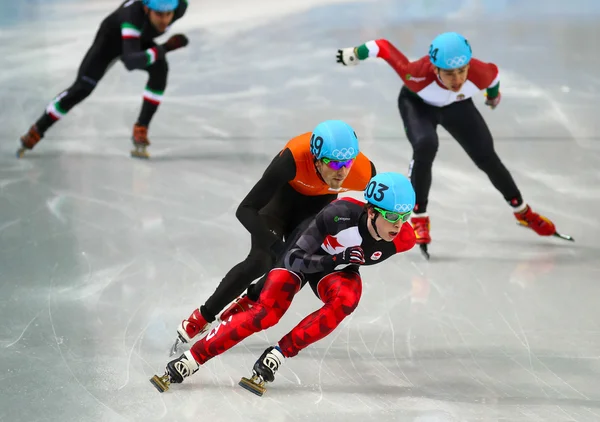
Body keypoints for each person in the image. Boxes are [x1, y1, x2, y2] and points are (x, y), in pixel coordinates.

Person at [150, 172, 417, 395]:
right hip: (304, 254)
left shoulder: (403, 238)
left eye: (404, 217)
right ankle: (193, 359)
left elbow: (362, 254)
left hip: (337, 267)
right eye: (392, 217)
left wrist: (340, 261)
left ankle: (278, 353)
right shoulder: (339, 214)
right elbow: (298, 257)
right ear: (370, 211)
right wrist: (336, 258)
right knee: (267, 313)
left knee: (347, 299)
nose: (398, 225)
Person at [336, 32, 570, 258]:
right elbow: (382, 47)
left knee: (486, 155)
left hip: (456, 107)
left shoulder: (479, 73)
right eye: (449, 73)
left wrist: (493, 95)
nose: (457, 79)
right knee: (426, 145)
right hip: (418, 106)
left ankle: (522, 211)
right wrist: (355, 54)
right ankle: (419, 216)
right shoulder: (415, 74)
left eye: (462, 71)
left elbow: (495, 77)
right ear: (435, 68)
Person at [169, 119, 377, 355]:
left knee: (292, 266)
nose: (342, 172)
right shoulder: (292, 159)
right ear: (316, 159)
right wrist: (278, 247)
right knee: (262, 260)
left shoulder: (362, 172)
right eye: (334, 163)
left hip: (315, 211)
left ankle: (250, 300)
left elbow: (373, 216)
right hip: (281, 202)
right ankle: (203, 315)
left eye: (347, 162)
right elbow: (245, 209)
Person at [17, 0, 189, 159]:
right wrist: (165, 48)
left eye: (169, 14)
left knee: (160, 68)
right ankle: (38, 129)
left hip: (137, 40)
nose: (165, 20)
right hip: (110, 42)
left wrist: (159, 51)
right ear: (146, 8)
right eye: (159, 14)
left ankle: (141, 128)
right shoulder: (132, 16)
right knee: (82, 88)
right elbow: (131, 62)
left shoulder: (179, 6)